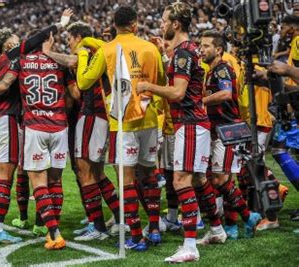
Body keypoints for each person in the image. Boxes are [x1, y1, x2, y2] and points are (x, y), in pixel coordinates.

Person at [137, 2, 225, 262]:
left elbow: (178, 92)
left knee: (180, 182)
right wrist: (166, 55)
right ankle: (217, 229)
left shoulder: (185, 53)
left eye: (164, 20)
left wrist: (148, 86)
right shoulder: (185, 51)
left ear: (176, 24)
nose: (161, 25)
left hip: (189, 123)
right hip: (194, 122)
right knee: (197, 180)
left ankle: (189, 246)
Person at [0, 9, 74, 245]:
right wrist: (60, 24)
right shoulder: (12, 56)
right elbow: (36, 39)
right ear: (6, 47)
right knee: (4, 178)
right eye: (13, 42)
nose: (19, 44)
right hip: (6, 120)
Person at [76, 5, 165, 251]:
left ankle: (136, 236)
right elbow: (163, 82)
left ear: (114, 25)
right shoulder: (150, 48)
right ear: (135, 24)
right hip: (148, 119)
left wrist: (83, 53)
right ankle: (155, 229)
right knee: (148, 176)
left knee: (126, 179)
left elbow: (84, 81)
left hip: (122, 123)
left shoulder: (106, 50)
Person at [42, 22, 122, 240]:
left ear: (78, 37)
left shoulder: (87, 49)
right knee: (96, 172)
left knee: (84, 171)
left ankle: (98, 228)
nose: (68, 43)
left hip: (93, 114)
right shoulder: (98, 50)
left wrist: (48, 53)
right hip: (101, 115)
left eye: (69, 38)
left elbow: (72, 60)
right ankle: (118, 219)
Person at [199, 30, 261, 241]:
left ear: (218, 49)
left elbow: (225, 94)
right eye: (201, 45)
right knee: (222, 179)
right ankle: (233, 225)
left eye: (206, 46)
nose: (202, 49)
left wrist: (203, 101)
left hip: (229, 131)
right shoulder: (211, 70)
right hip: (218, 130)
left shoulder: (223, 69)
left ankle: (248, 216)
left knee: (220, 179)